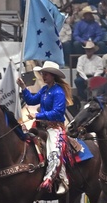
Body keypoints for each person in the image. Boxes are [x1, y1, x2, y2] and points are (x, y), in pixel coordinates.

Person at [17, 61, 71, 195]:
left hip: (55, 127)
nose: (43, 76)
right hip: (42, 127)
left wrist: (38, 114)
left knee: (54, 151)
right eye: (42, 73)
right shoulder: (45, 89)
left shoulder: (58, 91)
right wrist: (24, 87)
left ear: (52, 75)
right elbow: (31, 100)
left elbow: (58, 112)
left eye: (45, 74)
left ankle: (55, 180)